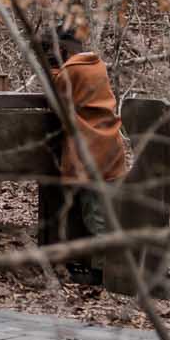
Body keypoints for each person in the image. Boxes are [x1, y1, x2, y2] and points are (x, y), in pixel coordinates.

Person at [41, 20, 129, 281]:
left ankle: (103, 272)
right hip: (109, 146)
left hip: (91, 151)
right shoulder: (96, 64)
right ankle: (101, 267)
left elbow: (56, 95)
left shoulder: (71, 71)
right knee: (104, 212)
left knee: (96, 216)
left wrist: (51, 67)